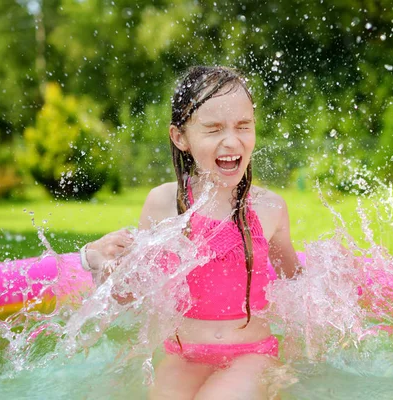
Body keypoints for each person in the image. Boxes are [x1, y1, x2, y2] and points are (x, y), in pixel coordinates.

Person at [80, 66, 301, 399]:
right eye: (213, 129)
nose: (232, 140)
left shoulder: (269, 208)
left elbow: (298, 284)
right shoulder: (163, 204)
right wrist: (98, 262)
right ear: (180, 137)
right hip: (185, 355)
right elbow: (130, 292)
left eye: (244, 126)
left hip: (253, 354)